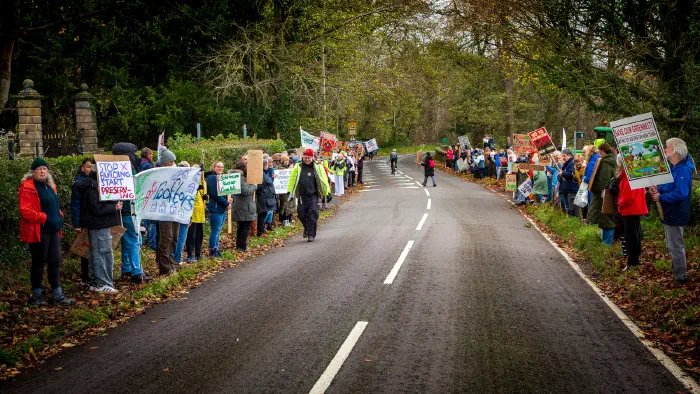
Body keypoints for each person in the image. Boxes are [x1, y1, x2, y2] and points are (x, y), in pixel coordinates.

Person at [19, 158, 75, 305]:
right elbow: (25, 211)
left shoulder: (50, 186)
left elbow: (54, 205)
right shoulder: (28, 187)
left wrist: (59, 215)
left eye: (44, 168)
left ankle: (57, 294)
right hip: (39, 231)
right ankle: (36, 295)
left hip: (54, 230)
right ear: (33, 172)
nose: (42, 171)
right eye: (39, 169)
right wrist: (43, 217)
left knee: (55, 261)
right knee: (39, 261)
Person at [650, 138, 695, 283]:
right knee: (672, 245)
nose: (664, 150)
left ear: (675, 150)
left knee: (676, 246)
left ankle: (680, 277)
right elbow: (670, 186)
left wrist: (661, 197)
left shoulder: (682, 169)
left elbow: (681, 193)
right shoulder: (675, 167)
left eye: (667, 147)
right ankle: (677, 273)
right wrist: (659, 189)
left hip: (676, 213)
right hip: (670, 212)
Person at [79, 163, 122, 294]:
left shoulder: (93, 186)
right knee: (103, 253)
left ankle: (96, 282)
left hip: (98, 224)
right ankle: (102, 283)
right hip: (99, 225)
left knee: (97, 253)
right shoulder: (93, 188)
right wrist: (113, 207)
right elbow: (96, 208)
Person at [112, 142, 151, 283]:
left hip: (122, 210)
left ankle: (127, 268)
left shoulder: (113, 169)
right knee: (134, 240)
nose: (135, 156)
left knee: (126, 241)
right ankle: (137, 271)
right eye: (133, 153)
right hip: (129, 210)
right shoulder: (128, 169)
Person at [288, 149, 331, 242]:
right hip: (302, 195)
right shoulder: (298, 166)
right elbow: (292, 179)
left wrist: (328, 192)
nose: (307, 159)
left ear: (312, 157)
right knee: (301, 214)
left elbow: (324, 179)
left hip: (313, 194)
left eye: (309, 158)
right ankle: (307, 228)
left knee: (313, 213)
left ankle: (311, 234)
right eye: (305, 157)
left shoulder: (318, 166)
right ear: (303, 157)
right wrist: (290, 191)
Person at [618, 163, 648, 269]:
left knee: (631, 236)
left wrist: (619, 204)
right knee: (635, 234)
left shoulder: (628, 175)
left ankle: (632, 262)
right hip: (636, 208)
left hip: (630, 209)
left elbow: (628, 196)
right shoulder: (634, 173)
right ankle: (634, 260)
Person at [155, 148, 181, 273]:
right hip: (164, 211)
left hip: (175, 210)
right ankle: (164, 266)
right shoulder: (158, 173)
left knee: (175, 237)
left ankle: (170, 260)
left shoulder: (174, 172)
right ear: (165, 162)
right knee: (167, 237)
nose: (172, 164)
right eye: (170, 162)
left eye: (173, 162)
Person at [70, 157, 94, 287]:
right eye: (88, 167)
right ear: (82, 168)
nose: (90, 169)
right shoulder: (79, 184)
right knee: (85, 249)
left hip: (93, 219)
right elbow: (75, 204)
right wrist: (76, 224)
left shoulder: (94, 182)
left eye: (92, 167)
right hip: (84, 221)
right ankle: (86, 277)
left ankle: (91, 275)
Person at [588, 143, 617, 245]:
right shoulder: (612, 161)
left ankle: (606, 245)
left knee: (606, 219)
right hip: (608, 193)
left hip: (604, 195)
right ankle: (606, 243)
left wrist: (593, 188)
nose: (599, 154)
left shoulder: (605, 163)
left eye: (600, 152)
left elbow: (602, 181)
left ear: (603, 151)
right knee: (606, 219)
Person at [231, 162, 258, 252]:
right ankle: (242, 246)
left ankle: (239, 245)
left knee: (241, 226)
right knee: (245, 226)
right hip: (245, 206)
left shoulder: (236, 177)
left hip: (242, 205)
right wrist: (254, 186)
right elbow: (245, 191)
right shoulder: (240, 178)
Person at [206, 161, 229, 258]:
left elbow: (225, 192)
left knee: (218, 230)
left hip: (221, 208)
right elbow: (215, 193)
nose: (220, 168)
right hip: (215, 208)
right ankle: (212, 250)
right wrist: (226, 203)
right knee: (215, 230)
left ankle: (216, 248)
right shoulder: (211, 177)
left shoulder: (221, 178)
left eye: (222, 167)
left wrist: (229, 199)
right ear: (214, 167)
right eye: (218, 166)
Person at [186, 167, 206, 262]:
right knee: (191, 236)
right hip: (192, 215)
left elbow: (203, 197)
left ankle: (198, 254)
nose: (201, 174)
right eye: (199, 172)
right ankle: (190, 255)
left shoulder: (203, 182)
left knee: (199, 235)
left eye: (202, 172)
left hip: (200, 214)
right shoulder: (190, 182)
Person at [172, 161, 191, 264]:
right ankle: (177, 258)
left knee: (175, 236)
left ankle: (174, 257)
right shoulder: (189, 182)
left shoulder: (173, 181)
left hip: (174, 212)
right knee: (181, 237)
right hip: (184, 212)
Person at [256, 155, 277, 237]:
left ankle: (261, 230)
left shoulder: (264, 173)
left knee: (264, 214)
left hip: (265, 196)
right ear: (264, 165)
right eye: (267, 165)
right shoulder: (261, 174)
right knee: (262, 214)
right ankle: (260, 232)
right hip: (263, 197)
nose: (269, 166)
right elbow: (261, 185)